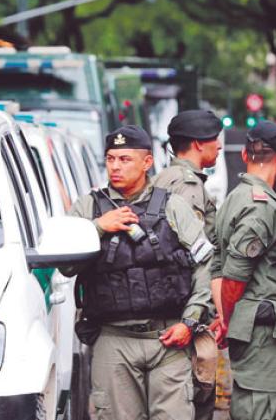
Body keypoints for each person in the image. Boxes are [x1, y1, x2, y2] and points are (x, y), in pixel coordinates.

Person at [64, 125, 214, 420]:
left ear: (147, 162)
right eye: (110, 159)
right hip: (113, 340)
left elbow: (206, 263)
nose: (115, 167)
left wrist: (190, 321)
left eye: (125, 159)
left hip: (168, 339)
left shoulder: (173, 206)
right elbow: (66, 265)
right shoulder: (88, 208)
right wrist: (97, 228)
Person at [212, 121, 276, 420]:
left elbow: (216, 266)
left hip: (252, 327)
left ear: (246, 156)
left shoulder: (233, 199)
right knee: (263, 409)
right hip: (262, 333)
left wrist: (225, 318)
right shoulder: (262, 206)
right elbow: (235, 273)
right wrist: (229, 319)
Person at [151, 110, 223, 420]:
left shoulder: (164, 177)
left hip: (170, 307)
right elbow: (192, 254)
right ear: (197, 144)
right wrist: (202, 312)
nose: (219, 146)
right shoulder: (188, 185)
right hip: (184, 313)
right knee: (194, 398)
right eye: (214, 140)